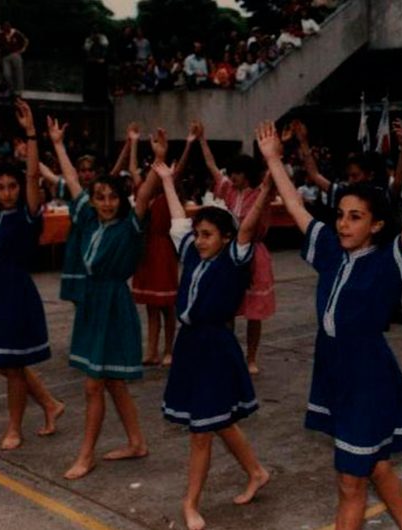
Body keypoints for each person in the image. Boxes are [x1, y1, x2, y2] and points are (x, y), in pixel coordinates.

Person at [255, 118, 402, 530]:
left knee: (350, 481)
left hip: (367, 376)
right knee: (375, 464)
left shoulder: (386, 262)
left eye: (356, 217)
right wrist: (274, 159)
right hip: (333, 371)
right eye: (341, 215)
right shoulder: (330, 250)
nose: (343, 224)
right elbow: (295, 206)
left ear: (376, 225)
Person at [153, 160, 271, 530]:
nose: (200, 240)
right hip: (190, 346)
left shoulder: (233, 260)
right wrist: (167, 180)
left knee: (201, 430)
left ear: (225, 238)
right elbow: (178, 220)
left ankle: (190, 503)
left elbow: (247, 228)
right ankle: (256, 471)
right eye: (198, 234)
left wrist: (267, 189)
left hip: (215, 347)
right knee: (218, 420)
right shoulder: (191, 251)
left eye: (208, 235)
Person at [47, 116, 161, 480]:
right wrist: (58, 144)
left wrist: (158, 161)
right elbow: (72, 181)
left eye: (113, 197)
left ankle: (86, 455)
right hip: (92, 304)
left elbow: (144, 196)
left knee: (93, 384)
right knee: (111, 381)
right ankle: (137, 442)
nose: (107, 203)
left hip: (113, 305)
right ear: (93, 201)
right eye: (101, 197)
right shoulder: (88, 220)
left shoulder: (129, 228)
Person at [0, 99, 64, 450]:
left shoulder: (26, 214)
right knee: (4, 364)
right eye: (0, 187)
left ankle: (15, 428)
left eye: (12, 186)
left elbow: (33, 175)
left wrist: (32, 134)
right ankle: (50, 404)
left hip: (15, 296)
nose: (7, 192)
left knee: (13, 365)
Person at [196, 120, 275, 375]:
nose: (232, 177)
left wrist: (274, 152)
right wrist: (202, 139)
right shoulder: (228, 190)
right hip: (229, 252)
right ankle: (226, 352)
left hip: (254, 253)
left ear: (247, 173)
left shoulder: (260, 192)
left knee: (254, 311)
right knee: (226, 305)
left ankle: (251, 357)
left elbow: (274, 175)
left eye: (237, 173)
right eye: (231, 173)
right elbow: (211, 165)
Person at [130, 124, 178, 367]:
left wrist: (167, 154)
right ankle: (151, 350)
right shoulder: (144, 195)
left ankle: (169, 349)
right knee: (150, 305)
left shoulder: (169, 194)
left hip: (163, 251)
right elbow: (132, 170)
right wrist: (133, 142)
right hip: (146, 250)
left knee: (166, 305)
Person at [0, 21, 28, 95]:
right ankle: (11, 89)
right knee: (6, 74)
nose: (6, 30)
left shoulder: (16, 33)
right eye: (4, 28)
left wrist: (21, 50)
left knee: (18, 73)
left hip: (15, 54)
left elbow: (25, 41)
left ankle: (18, 91)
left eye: (7, 28)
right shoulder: (0, 35)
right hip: (5, 57)